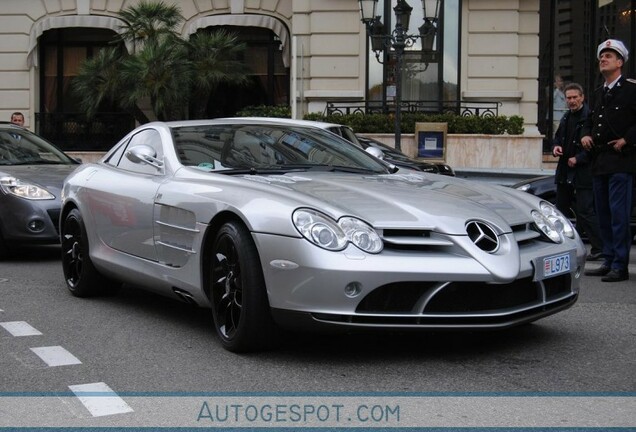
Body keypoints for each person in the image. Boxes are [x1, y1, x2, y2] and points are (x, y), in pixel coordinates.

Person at [581, 39, 636, 282]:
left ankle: (620, 265)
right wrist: (585, 134)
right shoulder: (598, 92)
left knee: (618, 215)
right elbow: (591, 121)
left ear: (620, 62)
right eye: (602, 55)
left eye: (609, 55)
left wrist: (628, 139)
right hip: (600, 159)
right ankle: (608, 258)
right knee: (603, 213)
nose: (603, 59)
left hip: (621, 160)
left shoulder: (632, 89)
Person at [552, 82, 604, 261]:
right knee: (560, 211)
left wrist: (579, 158)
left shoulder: (589, 117)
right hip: (565, 171)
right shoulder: (566, 117)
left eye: (575, 97)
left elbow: (594, 145)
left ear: (582, 98)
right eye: (568, 98)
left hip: (583, 172)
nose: (572, 101)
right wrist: (556, 147)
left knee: (585, 211)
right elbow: (557, 138)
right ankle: (563, 246)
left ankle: (599, 248)